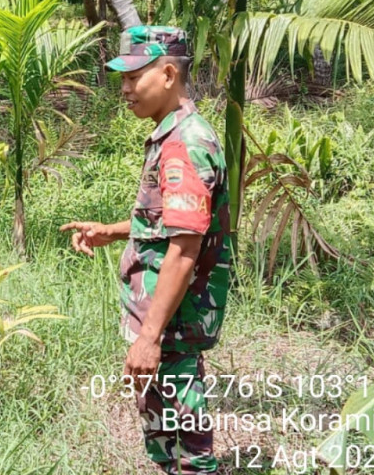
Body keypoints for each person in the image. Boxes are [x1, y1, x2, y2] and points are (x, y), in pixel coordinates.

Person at [61, 26, 231, 475]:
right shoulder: (173, 134)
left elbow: (184, 250)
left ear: (169, 73)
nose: (125, 89)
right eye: (122, 78)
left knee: (186, 436)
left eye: (135, 77)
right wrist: (114, 232)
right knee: (163, 426)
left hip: (172, 317)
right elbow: (168, 224)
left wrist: (149, 337)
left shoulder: (185, 145)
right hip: (165, 313)